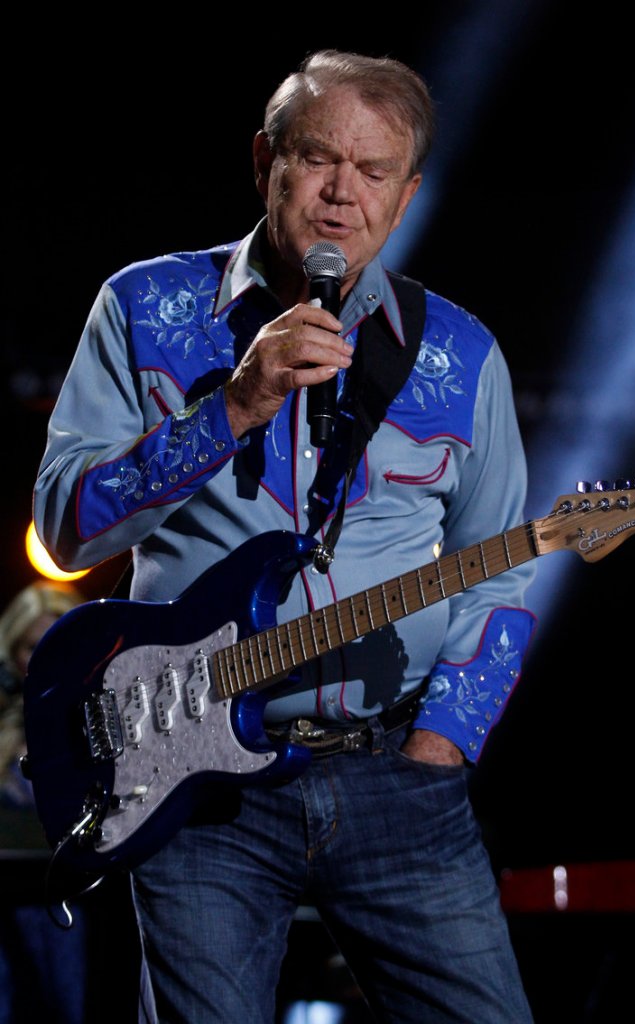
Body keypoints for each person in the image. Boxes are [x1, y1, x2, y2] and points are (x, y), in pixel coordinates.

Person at [32, 49, 538, 1023]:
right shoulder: (144, 308)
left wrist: (443, 742)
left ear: (406, 193)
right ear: (265, 159)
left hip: (397, 773)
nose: (342, 193)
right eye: (316, 158)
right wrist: (233, 405)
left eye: (373, 170)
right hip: (195, 777)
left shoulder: (460, 352)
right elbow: (65, 524)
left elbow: (500, 576)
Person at [0, 580, 89, 1024]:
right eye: (30, 646)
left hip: (72, 907)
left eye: (52, 644)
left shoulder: (97, 732)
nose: (39, 659)